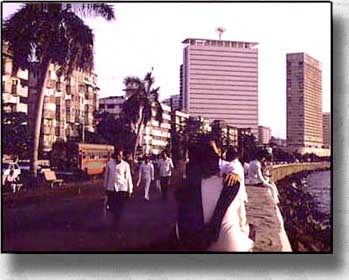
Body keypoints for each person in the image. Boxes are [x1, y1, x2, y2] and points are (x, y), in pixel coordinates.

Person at [176, 136, 254, 252]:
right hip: (230, 247)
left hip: (199, 245)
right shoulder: (231, 184)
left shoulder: (193, 184)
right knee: (249, 230)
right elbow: (242, 220)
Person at [220, 146, 250, 235]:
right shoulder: (237, 163)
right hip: (240, 195)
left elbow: (232, 169)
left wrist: (233, 174)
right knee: (241, 219)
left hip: (237, 196)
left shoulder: (233, 165)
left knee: (240, 220)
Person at [104, 147, 133, 230]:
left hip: (122, 189)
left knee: (120, 207)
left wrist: (130, 190)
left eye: (120, 155)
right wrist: (105, 187)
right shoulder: (109, 164)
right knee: (112, 206)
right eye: (117, 155)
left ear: (122, 156)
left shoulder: (125, 165)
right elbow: (106, 176)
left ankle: (116, 223)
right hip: (111, 188)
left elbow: (128, 178)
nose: (118, 157)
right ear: (114, 155)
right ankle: (115, 219)